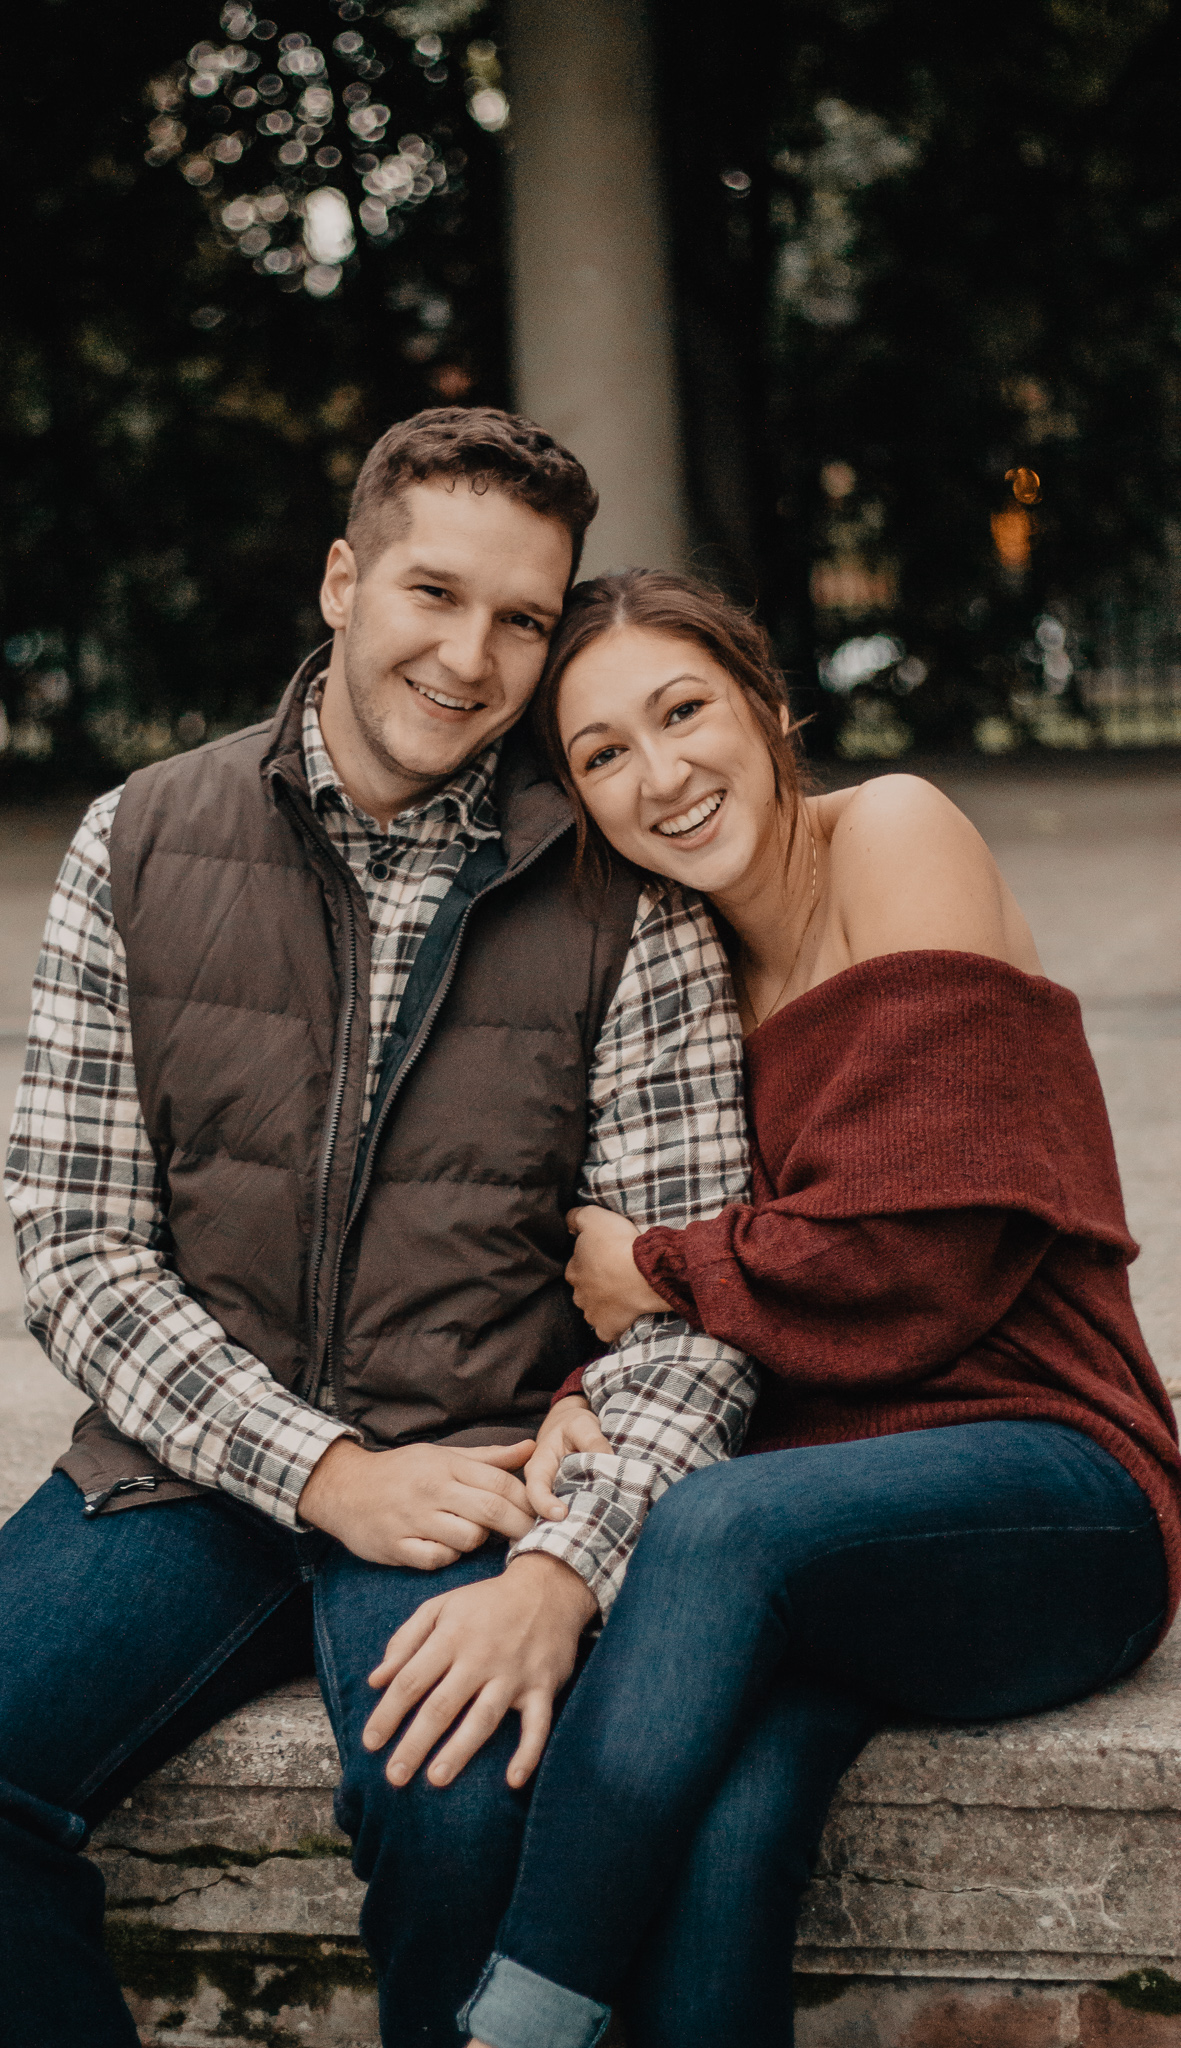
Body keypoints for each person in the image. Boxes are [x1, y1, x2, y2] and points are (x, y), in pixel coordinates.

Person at [0, 417, 761, 2048]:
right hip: (194, 1457)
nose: (471, 657)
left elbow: (692, 1310)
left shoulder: (626, 900)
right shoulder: (136, 842)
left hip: (487, 1458)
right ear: (342, 581)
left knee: (464, 1816)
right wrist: (323, 1472)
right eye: (432, 591)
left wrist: (568, 1559)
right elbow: (76, 1244)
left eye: (523, 619)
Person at [423, 568, 1179, 2048]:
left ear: (770, 708)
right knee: (730, 1818)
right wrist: (586, 1392)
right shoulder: (673, 956)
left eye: (683, 710)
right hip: (815, 1529)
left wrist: (651, 1270)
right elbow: (686, 1280)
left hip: (1046, 1486)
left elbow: (918, 1254)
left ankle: (515, 2024)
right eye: (602, 756)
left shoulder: (891, 836)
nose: (663, 775)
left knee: (701, 1530)